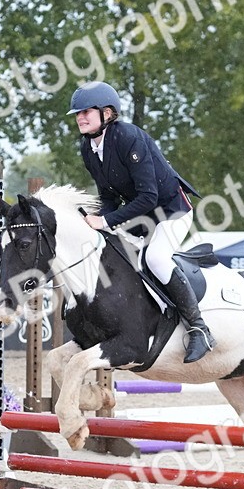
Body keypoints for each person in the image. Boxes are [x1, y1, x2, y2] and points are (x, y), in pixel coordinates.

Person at [68, 81, 214, 363]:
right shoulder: (88, 149)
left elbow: (149, 196)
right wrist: (96, 222)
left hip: (171, 209)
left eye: (86, 112)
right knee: (115, 254)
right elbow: (108, 196)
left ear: (106, 113)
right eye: (78, 113)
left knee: (155, 258)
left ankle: (199, 328)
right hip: (140, 215)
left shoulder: (128, 137)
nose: (80, 118)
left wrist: (105, 221)